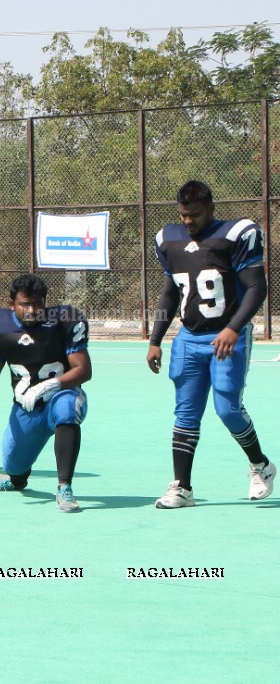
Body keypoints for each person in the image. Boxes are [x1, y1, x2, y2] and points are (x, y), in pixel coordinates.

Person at [147, 180, 275, 508]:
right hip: (189, 336)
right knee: (186, 412)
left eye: (196, 215)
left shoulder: (235, 235)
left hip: (226, 335)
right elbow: (170, 292)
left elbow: (257, 288)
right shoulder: (169, 239)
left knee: (227, 408)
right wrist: (156, 338)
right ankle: (182, 488)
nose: (189, 221)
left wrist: (234, 328)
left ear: (211, 209)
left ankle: (260, 465)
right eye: (184, 215)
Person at [0, 274, 91, 513]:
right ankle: (15, 480)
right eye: (24, 304)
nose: (31, 310)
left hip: (61, 395)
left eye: (37, 304)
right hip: (25, 407)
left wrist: (50, 385)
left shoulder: (65, 320)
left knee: (66, 409)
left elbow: (83, 370)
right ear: (11, 304)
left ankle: (64, 487)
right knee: (14, 465)